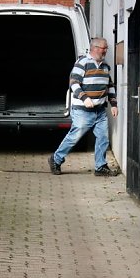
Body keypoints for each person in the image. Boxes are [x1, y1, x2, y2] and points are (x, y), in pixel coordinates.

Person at [49, 37, 119, 176]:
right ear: (94, 48)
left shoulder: (105, 66)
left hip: (100, 111)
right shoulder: (82, 63)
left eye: (106, 48)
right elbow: (74, 83)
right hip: (83, 111)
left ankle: (100, 167)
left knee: (103, 138)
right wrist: (84, 98)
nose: (105, 51)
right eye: (103, 48)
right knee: (74, 137)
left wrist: (114, 104)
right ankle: (56, 159)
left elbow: (109, 86)